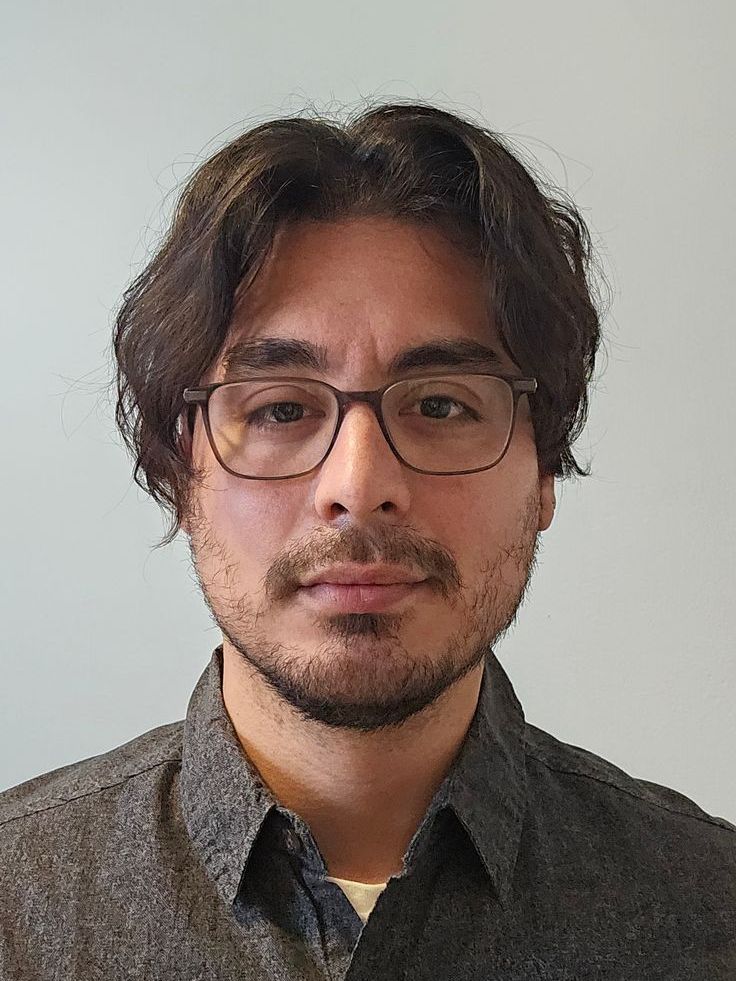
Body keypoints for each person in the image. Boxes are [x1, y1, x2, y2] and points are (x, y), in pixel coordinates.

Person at [1, 101, 733, 980]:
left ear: (544, 473)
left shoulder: (710, 910)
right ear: (178, 471)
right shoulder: (19, 905)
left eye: (440, 405)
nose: (357, 486)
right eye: (279, 409)